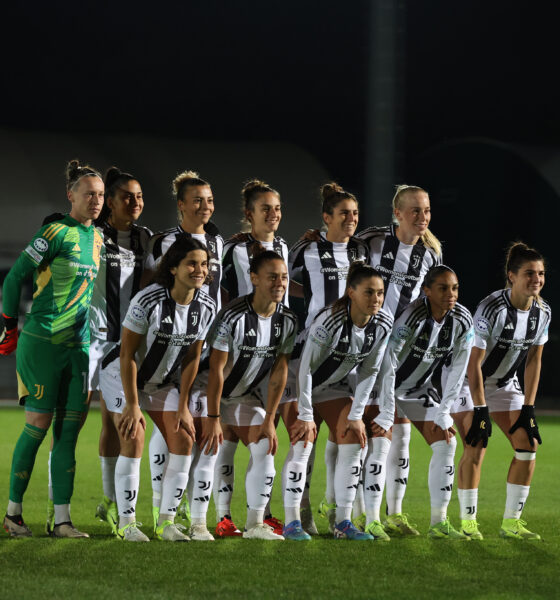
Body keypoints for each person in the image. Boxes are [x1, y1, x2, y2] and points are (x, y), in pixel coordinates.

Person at [1, 160, 104, 538]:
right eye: (89, 193)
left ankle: (62, 521)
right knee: (39, 425)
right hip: (43, 341)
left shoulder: (98, 238)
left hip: (78, 348)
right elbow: (14, 279)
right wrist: (9, 326)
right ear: (71, 195)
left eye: (100, 195)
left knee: (69, 433)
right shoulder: (54, 232)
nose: (96, 200)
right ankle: (13, 514)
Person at [100, 237, 216, 541]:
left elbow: (192, 356)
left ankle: (166, 523)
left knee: (183, 440)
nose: (199, 270)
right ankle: (127, 523)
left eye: (204, 264)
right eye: (192, 263)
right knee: (133, 437)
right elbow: (127, 354)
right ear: (174, 267)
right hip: (122, 376)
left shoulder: (206, 305)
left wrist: (183, 407)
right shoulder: (148, 299)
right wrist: (133, 404)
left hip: (163, 382)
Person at [356, 184, 442, 535]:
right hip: (365, 351)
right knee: (371, 433)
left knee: (401, 438)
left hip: (404, 358)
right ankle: (361, 512)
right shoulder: (372, 241)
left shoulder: (432, 255)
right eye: (416, 211)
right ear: (398, 213)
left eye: (427, 210)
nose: (423, 217)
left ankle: (395, 513)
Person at [142, 171, 223, 532]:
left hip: (207, 345)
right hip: (171, 348)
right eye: (197, 200)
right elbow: (153, 287)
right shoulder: (166, 243)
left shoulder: (221, 242)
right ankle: (163, 508)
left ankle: (193, 515)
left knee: (201, 435)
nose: (204, 206)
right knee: (170, 429)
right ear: (181, 205)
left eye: (208, 200)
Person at [452, 242, 550, 540]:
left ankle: (511, 523)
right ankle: (469, 522)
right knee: (476, 443)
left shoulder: (542, 312)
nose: (536, 279)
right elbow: (474, 363)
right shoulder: (491, 308)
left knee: (528, 443)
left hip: (506, 385)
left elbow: (534, 360)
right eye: (529, 273)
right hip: (468, 383)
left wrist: (529, 408)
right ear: (512, 276)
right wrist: (481, 410)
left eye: (541, 274)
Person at [289, 262, 393, 540]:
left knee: (352, 437)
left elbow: (371, 369)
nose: (376, 299)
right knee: (303, 441)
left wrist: (356, 415)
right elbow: (305, 368)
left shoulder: (383, 321)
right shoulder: (330, 321)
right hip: (296, 382)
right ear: (351, 292)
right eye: (369, 293)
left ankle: (343, 523)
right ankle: (293, 520)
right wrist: (306, 414)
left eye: (380, 293)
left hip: (332, 385)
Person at [288, 182, 370, 533]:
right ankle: (300, 512)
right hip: (307, 352)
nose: (351, 219)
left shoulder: (362, 252)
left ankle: (340, 516)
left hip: (344, 359)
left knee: (349, 433)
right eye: (343, 214)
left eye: (354, 214)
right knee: (304, 438)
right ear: (327, 218)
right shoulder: (305, 249)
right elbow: (283, 282)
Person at [370, 265, 474, 539]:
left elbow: (458, 367)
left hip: (419, 389)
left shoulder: (462, 320)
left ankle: (438, 522)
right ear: (427, 291)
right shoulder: (414, 315)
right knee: (382, 444)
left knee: (446, 443)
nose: (450, 294)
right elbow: (389, 360)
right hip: (387, 387)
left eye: (454, 288)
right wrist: (387, 406)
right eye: (442, 288)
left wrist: (445, 410)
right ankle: (370, 518)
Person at [202, 250, 298, 540]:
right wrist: (213, 415)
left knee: (264, 445)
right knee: (214, 451)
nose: (280, 283)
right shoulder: (232, 316)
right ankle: (219, 519)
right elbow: (215, 369)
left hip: (245, 397)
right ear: (254, 278)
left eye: (283, 277)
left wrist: (270, 418)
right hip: (210, 397)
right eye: (272, 277)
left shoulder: (288, 320)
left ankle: (256, 523)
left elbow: (279, 371)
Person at [214, 179, 289, 537]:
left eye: (277, 208)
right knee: (225, 435)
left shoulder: (287, 247)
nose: (273, 214)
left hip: (270, 349)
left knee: (264, 433)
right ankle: (220, 515)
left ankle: (261, 513)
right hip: (236, 348)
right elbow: (217, 289)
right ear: (249, 214)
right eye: (265, 208)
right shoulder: (232, 249)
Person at [87, 167, 152, 535]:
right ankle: (118, 515)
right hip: (93, 340)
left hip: (126, 346)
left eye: (139, 196)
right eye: (127, 196)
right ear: (109, 202)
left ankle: (112, 505)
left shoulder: (145, 239)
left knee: (119, 423)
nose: (135, 202)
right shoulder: (93, 235)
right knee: (101, 425)